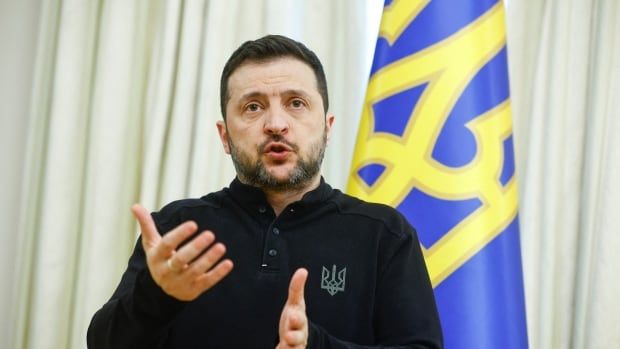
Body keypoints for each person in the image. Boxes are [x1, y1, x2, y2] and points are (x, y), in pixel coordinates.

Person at [87, 34, 442, 349]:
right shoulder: (179, 228)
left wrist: (314, 345)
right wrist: (158, 296)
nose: (276, 124)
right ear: (225, 136)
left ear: (327, 127)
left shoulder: (384, 234)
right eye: (253, 106)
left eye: (296, 103)